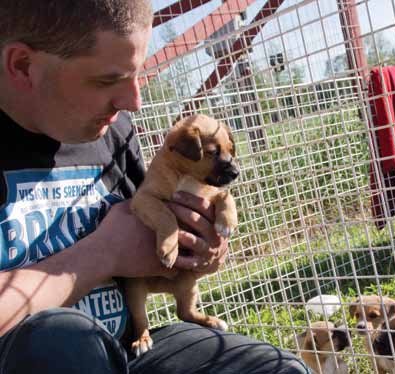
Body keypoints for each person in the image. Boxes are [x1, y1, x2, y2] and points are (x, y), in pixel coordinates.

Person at [0, 1, 311, 373]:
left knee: (275, 369)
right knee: (59, 343)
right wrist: (104, 253)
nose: (133, 101)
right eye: (106, 80)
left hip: (131, 350)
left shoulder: (112, 131)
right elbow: (117, 247)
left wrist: (199, 246)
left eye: (136, 75)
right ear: (22, 66)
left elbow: (151, 228)